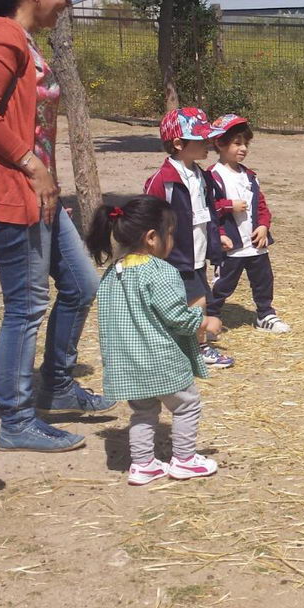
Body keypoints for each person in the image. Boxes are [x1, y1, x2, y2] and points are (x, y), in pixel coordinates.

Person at [0, 0, 114, 454]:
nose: (69, 1)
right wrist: (32, 164)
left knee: (82, 283)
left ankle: (58, 385)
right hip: (9, 193)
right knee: (26, 307)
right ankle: (18, 419)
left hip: (38, 193)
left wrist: (42, 175)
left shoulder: (24, 38)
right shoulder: (2, 34)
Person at [86, 196, 224, 486]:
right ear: (151, 238)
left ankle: (143, 464)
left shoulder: (113, 273)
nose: (172, 239)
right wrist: (204, 322)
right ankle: (185, 459)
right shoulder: (160, 272)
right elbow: (175, 316)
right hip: (160, 360)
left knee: (143, 411)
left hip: (128, 363)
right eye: (170, 233)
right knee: (186, 405)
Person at [144, 107, 234, 369]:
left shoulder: (202, 176)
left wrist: (218, 236)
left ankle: (195, 347)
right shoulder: (162, 180)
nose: (208, 143)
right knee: (185, 303)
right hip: (172, 257)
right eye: (201, 139)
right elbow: (148, 216)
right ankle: (191, 348)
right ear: (178, 144)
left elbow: (210, 211)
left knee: (197, 299)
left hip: (197, 253)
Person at [205, 114, 290, 334]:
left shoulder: (250, 176)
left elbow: (261, 205)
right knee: (223, 284)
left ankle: (265, 314)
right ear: (220, 143)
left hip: (255, 244)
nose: (243, 148)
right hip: (231, 245)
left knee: (263, 280)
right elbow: (208, 207)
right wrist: (227, 207)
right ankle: (210, 315)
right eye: (237, 143)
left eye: (246, 144)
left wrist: (263, 226)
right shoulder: (211, 176)